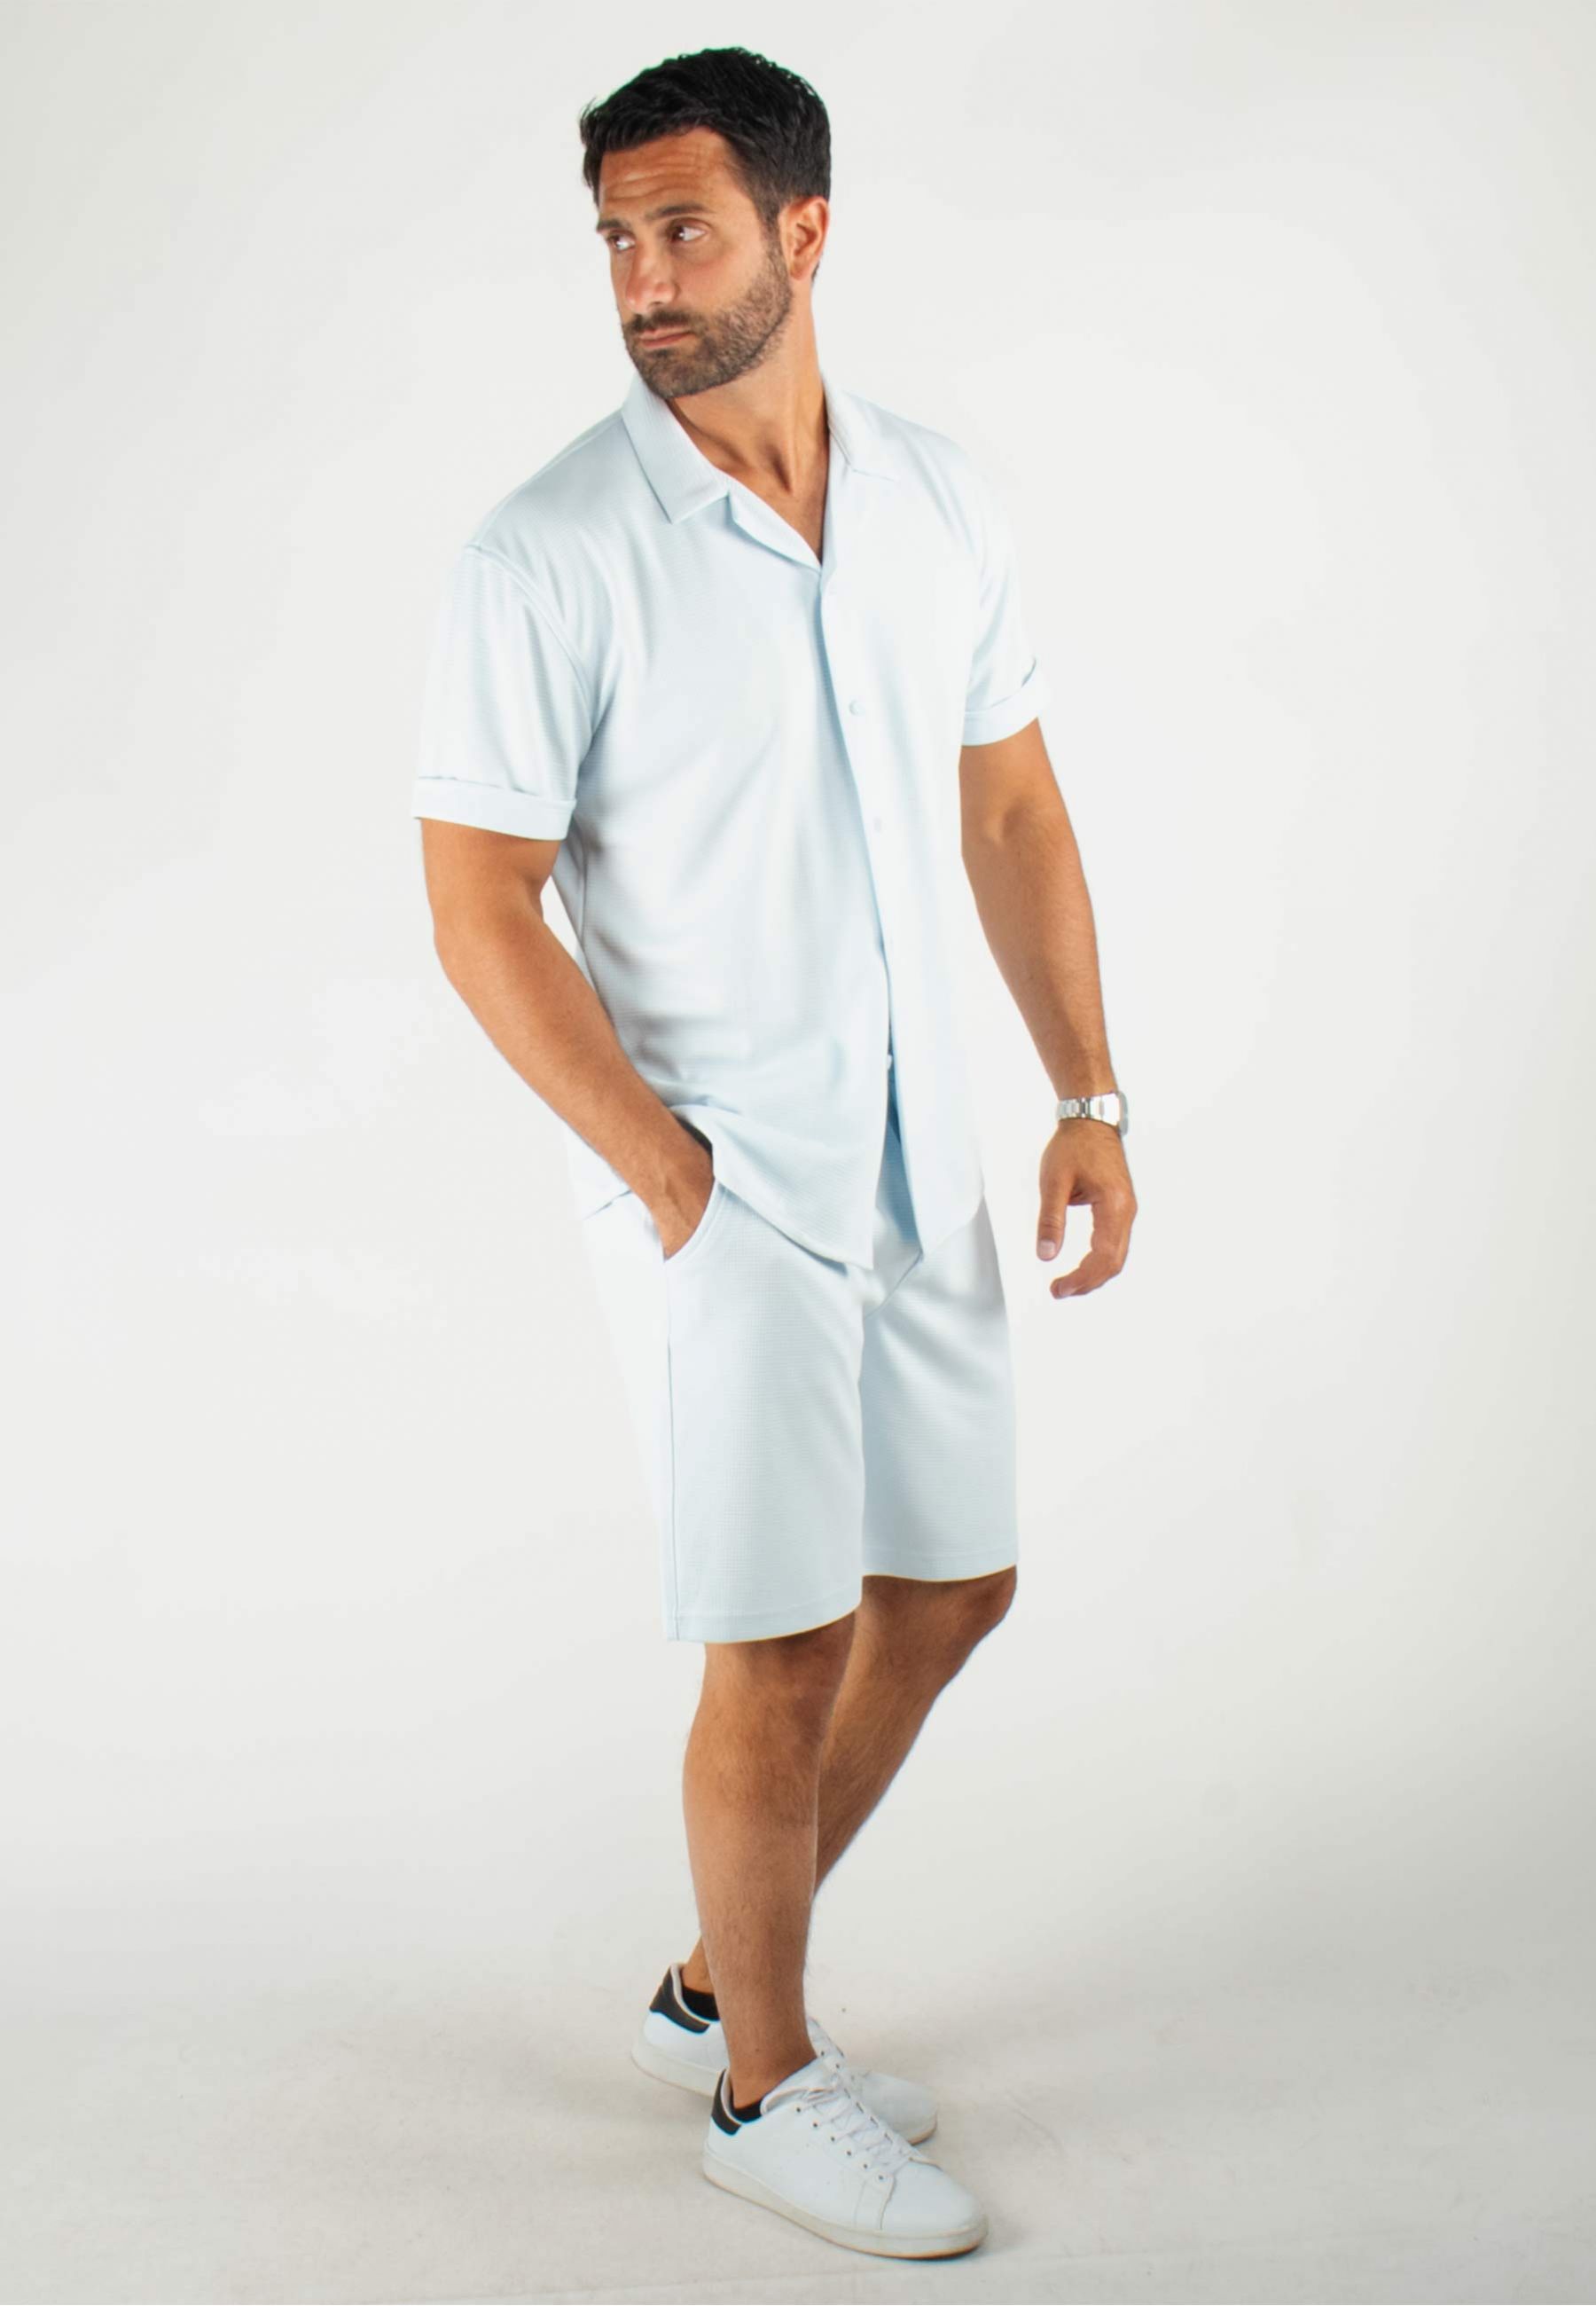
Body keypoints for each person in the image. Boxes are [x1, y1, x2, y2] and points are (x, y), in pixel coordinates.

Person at [411, 43, 1136, 2262]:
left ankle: (713, 1983)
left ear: (805, 232)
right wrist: (670, 1179)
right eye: (616, 239)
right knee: (784, 1636)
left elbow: (1010, 804)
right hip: (721, 1183)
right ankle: (763, 2085)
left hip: (926, 1151)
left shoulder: (934, 499)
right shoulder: (547, 553)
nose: (643, 277)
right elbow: (477, 903)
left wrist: (1088, 1091)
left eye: (685, 228)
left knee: (954, 1585)